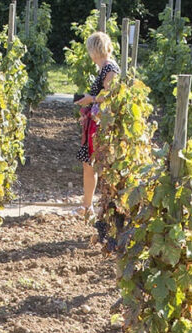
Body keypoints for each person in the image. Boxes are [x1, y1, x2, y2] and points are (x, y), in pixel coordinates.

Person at [75, 30, 119, 222]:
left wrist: (90, 99)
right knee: (89, 165)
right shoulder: (106, 68)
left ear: (94, 50)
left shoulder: (109, 68)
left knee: (97, 165)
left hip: (101, 126)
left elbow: (110, 97)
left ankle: (106, 208)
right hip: (95, 123)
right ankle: (88, 206)